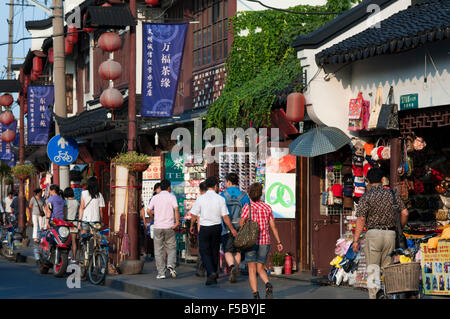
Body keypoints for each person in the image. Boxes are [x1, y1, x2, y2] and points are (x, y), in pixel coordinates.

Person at [352, 167, 409, 299]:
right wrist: (398, 227)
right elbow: (405, 212)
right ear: (383, 180)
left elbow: (361, 218)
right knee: (387, 268)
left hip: (373, 235)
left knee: (373, 268)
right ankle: (388, 294)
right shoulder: (392, 195)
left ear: (368, 181)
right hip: (390, 234)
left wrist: (355, 240)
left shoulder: (366, 196)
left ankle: (375, 296)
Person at [189, 176, 237, 285]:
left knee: (204, 251)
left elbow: (194, 214)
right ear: (215, 186)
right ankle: (214, 276)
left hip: (205, 227)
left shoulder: (201, 198)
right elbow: (225, 216)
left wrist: (192, 225)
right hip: (217, 227)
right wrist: (232, 229)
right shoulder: (220, 198)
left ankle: (211, 272)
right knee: (214, 251)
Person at [240, 183, 283, 299]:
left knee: (252, 269)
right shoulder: (267, 207)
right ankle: (268, 284)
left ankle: (256, 295)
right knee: (260, 268)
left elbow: (241, 223)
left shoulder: (247, 207)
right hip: (265, 242)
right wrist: (279, 242)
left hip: (251, 242)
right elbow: (273, 226)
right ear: (260, 194)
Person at [220, 173, 250, 283]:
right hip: (240, 227)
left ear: (228, 182)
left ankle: (232, 266)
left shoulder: (223, 195)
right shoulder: (244, 195)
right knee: (238, 251)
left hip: (227, 227)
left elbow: (221, 213)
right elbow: (247, 213)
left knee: (228, 251)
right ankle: (236, 269)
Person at [147, 179, 180, 279]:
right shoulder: (172, 197)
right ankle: (170, 264)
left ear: (160, 187)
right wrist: (177, 222)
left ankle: (161, 273)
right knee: (171, 248)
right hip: (169, 226)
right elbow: (176, 209)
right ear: (169, 187)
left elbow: (148, 211)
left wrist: (154, 218)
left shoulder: (155, 197)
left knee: (158, 250)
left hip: (158, 227)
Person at [141, 183, 161, 262]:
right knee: (155, 240)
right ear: (155, 190)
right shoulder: (153, 199)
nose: (160, 190)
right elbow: (149, 211)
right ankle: (155, 255)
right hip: (155, 222)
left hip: (159, 222)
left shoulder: (164, 198)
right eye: (158, 188)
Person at [194, 181, 207, 277]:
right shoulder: (214, 198)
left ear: (200, 190)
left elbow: (197, 215)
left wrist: (195, 227)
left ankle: (200, 269)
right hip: (214, 226)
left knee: (202, 250)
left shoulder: (200, 199)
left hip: (202, 227)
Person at [64, 187, 80, 262]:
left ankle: (67, 256)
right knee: (74, 241)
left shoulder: (65, 202)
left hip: (67, 223)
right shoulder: (77, 202)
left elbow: (64, 213)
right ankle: (74, 258)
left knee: (66, 240)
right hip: (74, 223)